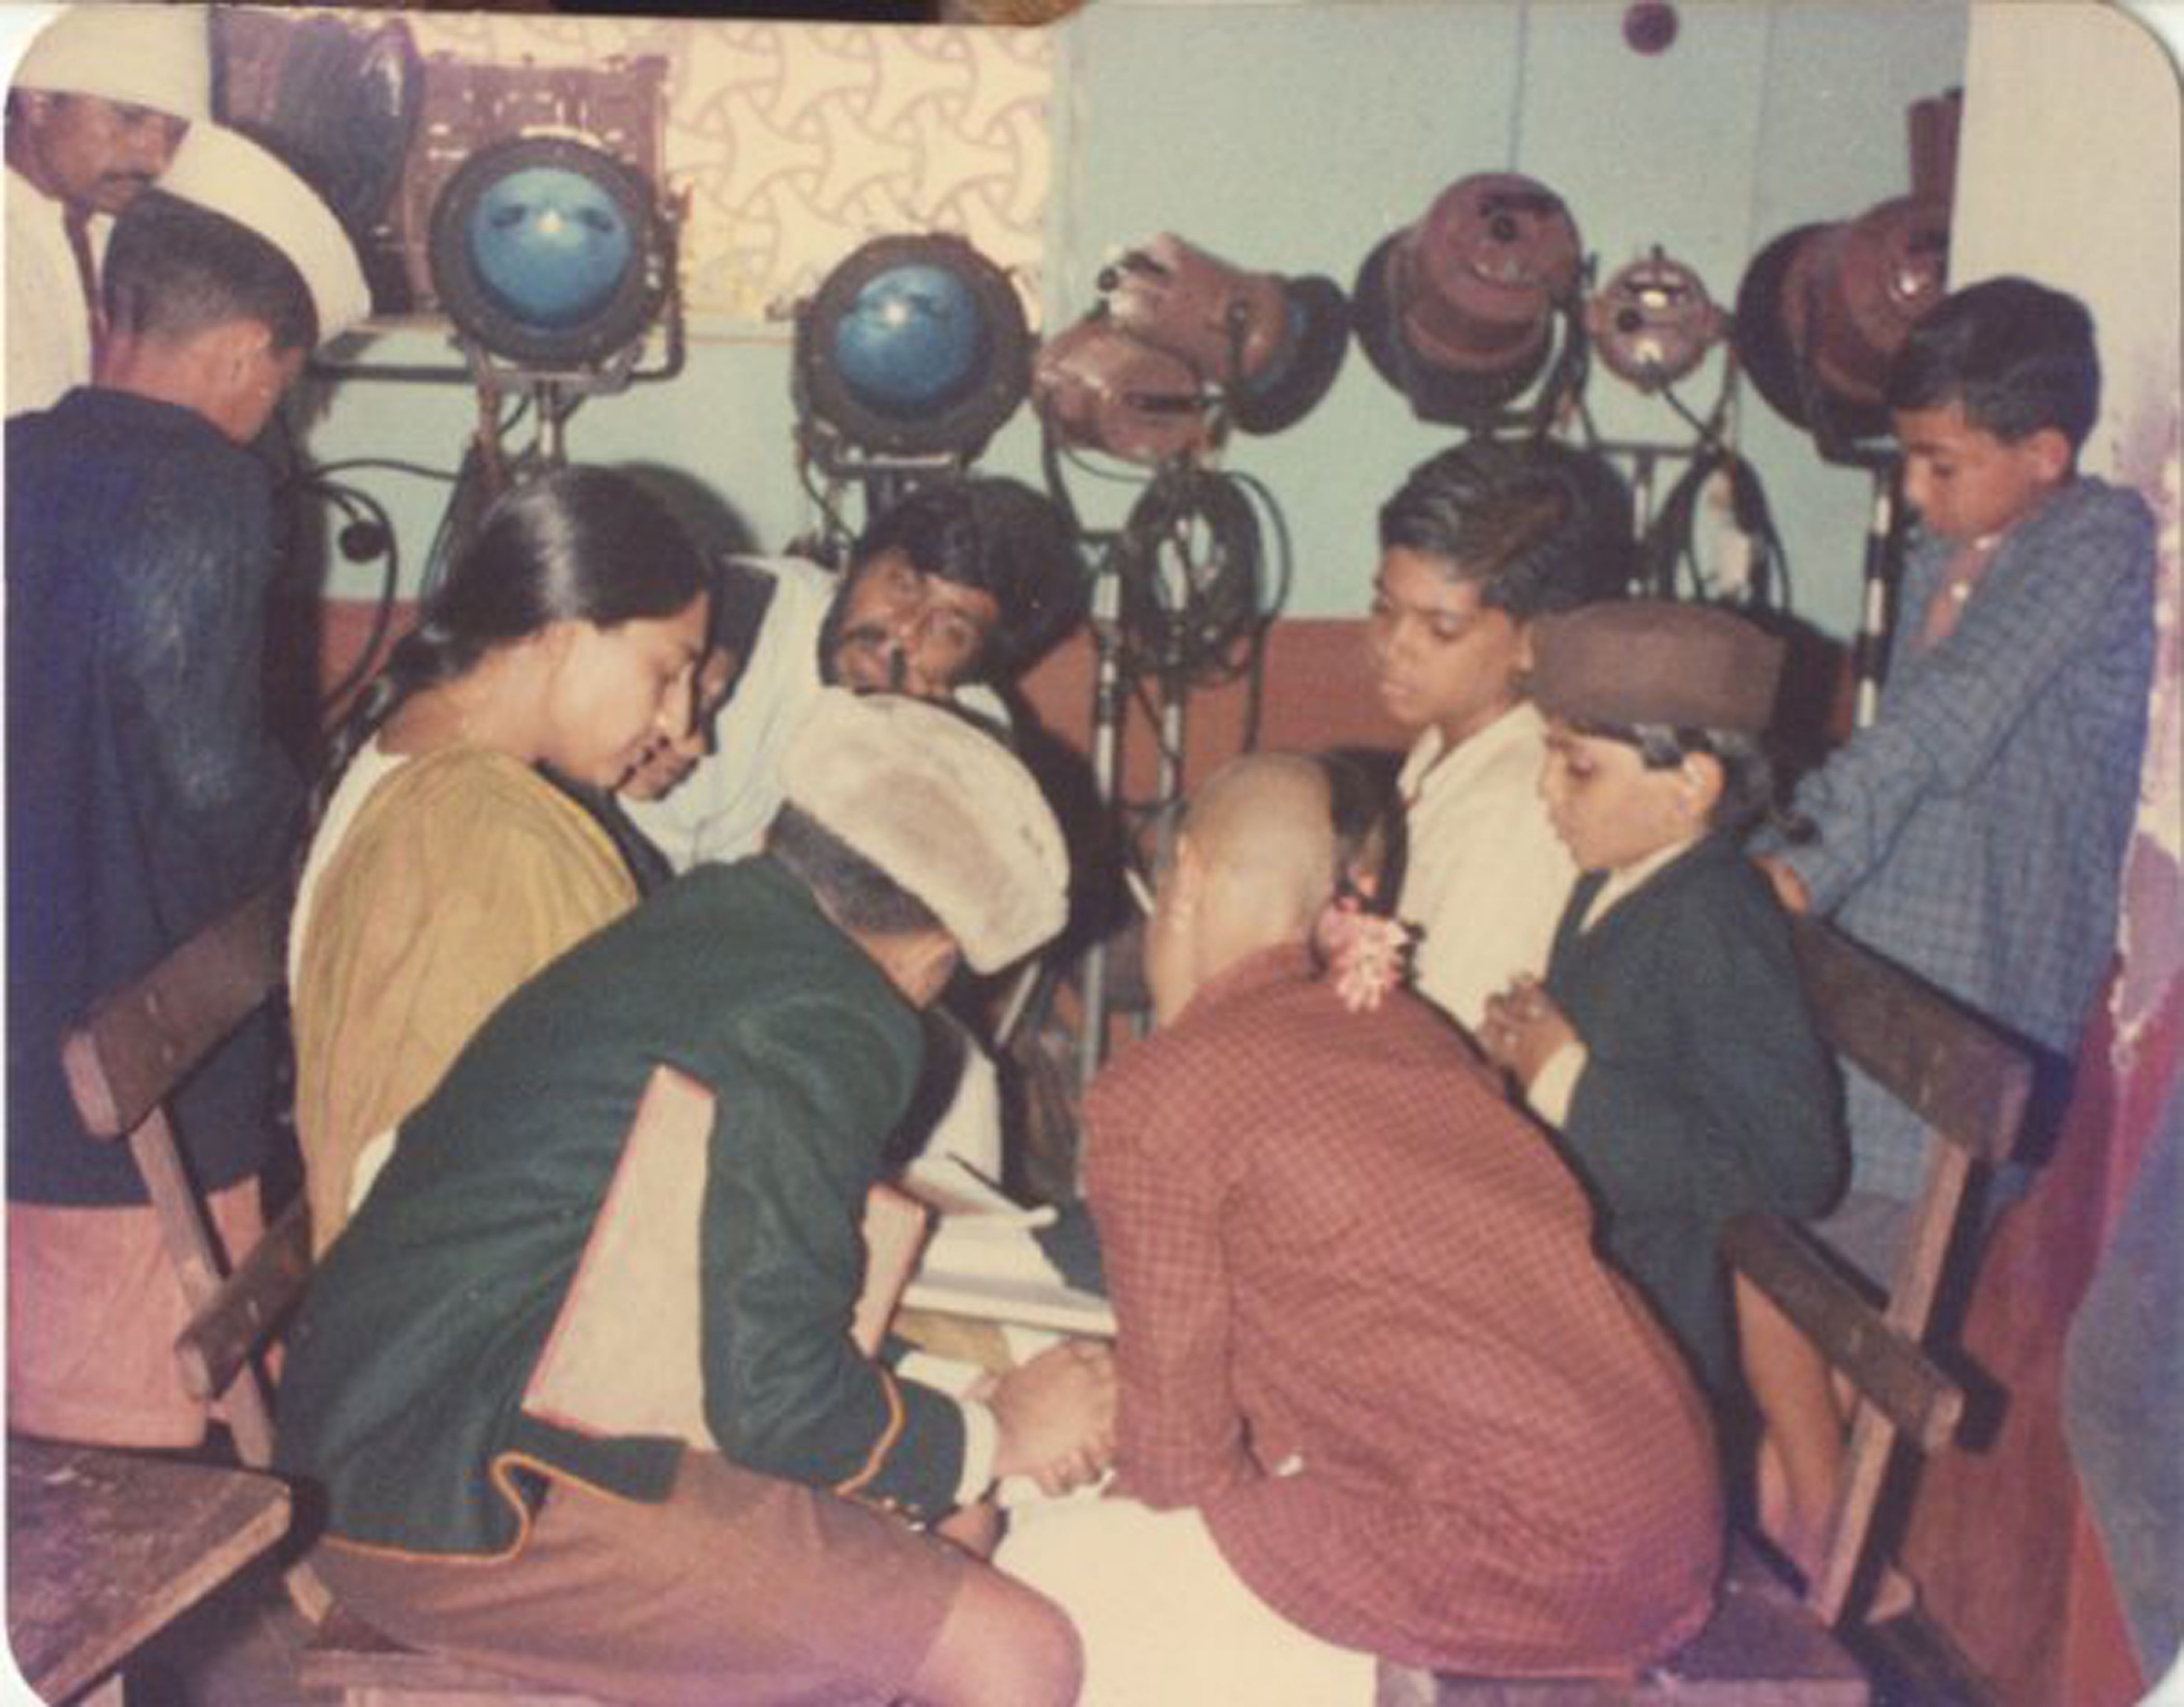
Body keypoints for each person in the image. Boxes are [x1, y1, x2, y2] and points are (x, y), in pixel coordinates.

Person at [274, 690, 1111, 1707]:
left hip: (382, 1434)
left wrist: (958, 1408)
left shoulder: (710, 918)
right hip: (464, 1493)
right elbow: (774, 1401)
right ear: (943, 952)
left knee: (956, 1524)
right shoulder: (837, 1019)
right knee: (1017, 1655)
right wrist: (1000, 1431)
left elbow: (708, 1269)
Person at [1000, 751, 1724, 1704]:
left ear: (1192, 879)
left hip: (1531, 1560)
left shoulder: (1163, 1092)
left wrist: (1042, 1424)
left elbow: (1179, 1464)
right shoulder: (1400, 1022)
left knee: (1035, 1589)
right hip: (1667, 1518)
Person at [6, 124, 368, 1447]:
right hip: (134, 1067)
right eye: (282, 383)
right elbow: (211, 791)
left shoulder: (16, 459)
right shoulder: (211, 492)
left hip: (15, 1044)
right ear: (243, 357)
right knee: (132, 1448)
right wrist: (309, 834)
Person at [1756, 275, 2157, 1281]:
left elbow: (1940, 725)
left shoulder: (2094, 541)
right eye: (1908, 462)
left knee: (1849, 1312)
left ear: (2046, 456)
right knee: (1783, 1301)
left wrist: (1798, 863)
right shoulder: (1950, 550)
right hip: (1874, 1002)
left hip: (1973, 1006)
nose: (1914, 493)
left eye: (1940, 464)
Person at [1479, 600, 1845, 1568]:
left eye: (1581, 765)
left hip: (1652, 1332)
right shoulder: (1618, 879)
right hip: (1585, 1283)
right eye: (1550, 757)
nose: (1549, 792)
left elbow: (1793, 1168)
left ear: (1692, 785)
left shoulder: (1715, 921)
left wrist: (1563, 1077)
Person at [288, 466, 710, 1253]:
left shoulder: (428, 755)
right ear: (560, 637)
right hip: (453, 1330)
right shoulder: (476, 835)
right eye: (666, 669)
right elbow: (411, 1183)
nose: (679, 716)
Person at [625, 474, 1085, 870]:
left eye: (951, 630)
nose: (905, 630)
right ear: (855, 565)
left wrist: (907, 742)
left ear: (973, 669)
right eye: (902, 585)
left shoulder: (967, 729)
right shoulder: (725, 619)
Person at [1367, 437, 1626, 1033]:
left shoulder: (1519, 807)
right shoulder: (1447, 745)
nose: (1392, 646)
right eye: (1382, 607)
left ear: (1532, 641)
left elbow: (1448, 1056)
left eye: (1441, 627)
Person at [6, 3, 209, 416]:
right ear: (39, 101)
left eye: (176, 131)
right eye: (130, 118)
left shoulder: (122, 241)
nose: (157, 160)